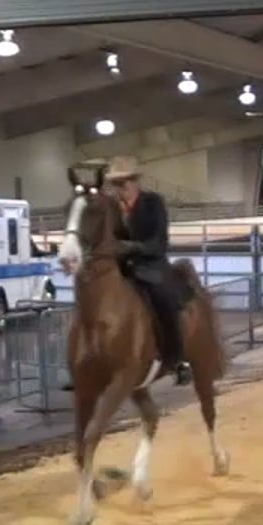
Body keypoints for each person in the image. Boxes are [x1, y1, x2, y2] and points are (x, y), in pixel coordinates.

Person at [103, 155, 192, 385]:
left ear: (134, 182)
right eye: (115, 184)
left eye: (123, 183)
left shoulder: (153, 203)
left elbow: (159, 242)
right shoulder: (111, 209)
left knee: (164, 300)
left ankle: (178, 360)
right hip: (121, 267)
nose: (120, 188)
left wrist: (131, 247)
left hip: (151, 264)